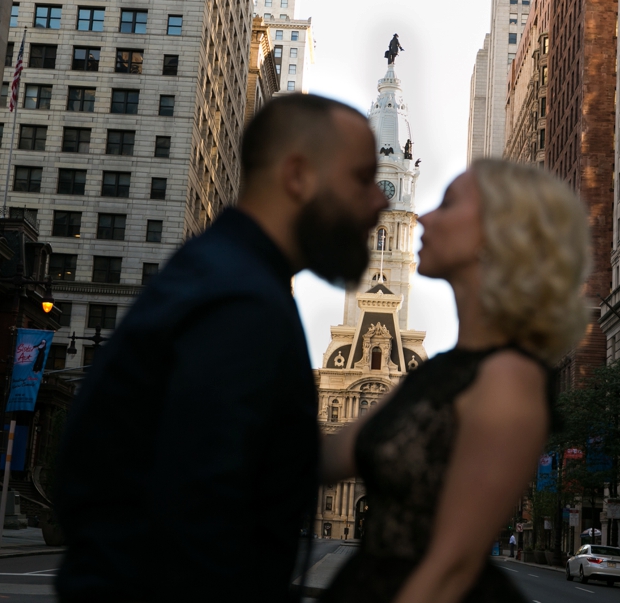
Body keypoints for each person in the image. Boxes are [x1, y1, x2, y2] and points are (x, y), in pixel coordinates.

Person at [54, 94, 388, 603]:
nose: (381, 201)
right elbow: (200, 517)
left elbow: (234, 459)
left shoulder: (222, 272)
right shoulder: (240, 302)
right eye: (362, 178)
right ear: (298, 175)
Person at [320, 159, 592, 603]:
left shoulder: (509, 378)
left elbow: (451, 567)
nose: (423, 217)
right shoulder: (435, 371)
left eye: (448, 204)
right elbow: (326, 458)